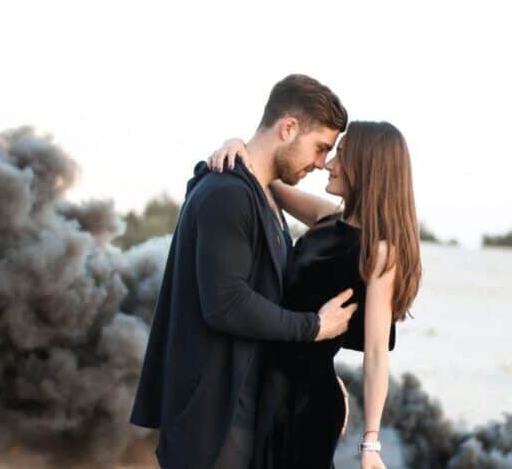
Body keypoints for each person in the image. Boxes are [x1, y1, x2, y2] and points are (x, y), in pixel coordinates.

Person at [128, 74, 359, 469]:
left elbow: (272, 290)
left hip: (244, 415)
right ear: (288, 128)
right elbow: (226, 303)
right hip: (215, 427)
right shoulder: (228, 194)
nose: (322, 164)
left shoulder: (260, 194)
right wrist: (314, 327)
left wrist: (315, 375)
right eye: (320, 148)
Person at [208, 120, 422, 469]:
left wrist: (371, 444)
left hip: (306, 404)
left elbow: (377, 353)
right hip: (267, 390)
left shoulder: (381, 251)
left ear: (367, 168)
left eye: (342, 156)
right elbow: (267, 178)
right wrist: (235, 144)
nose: (329, 164)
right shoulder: (326, 218)